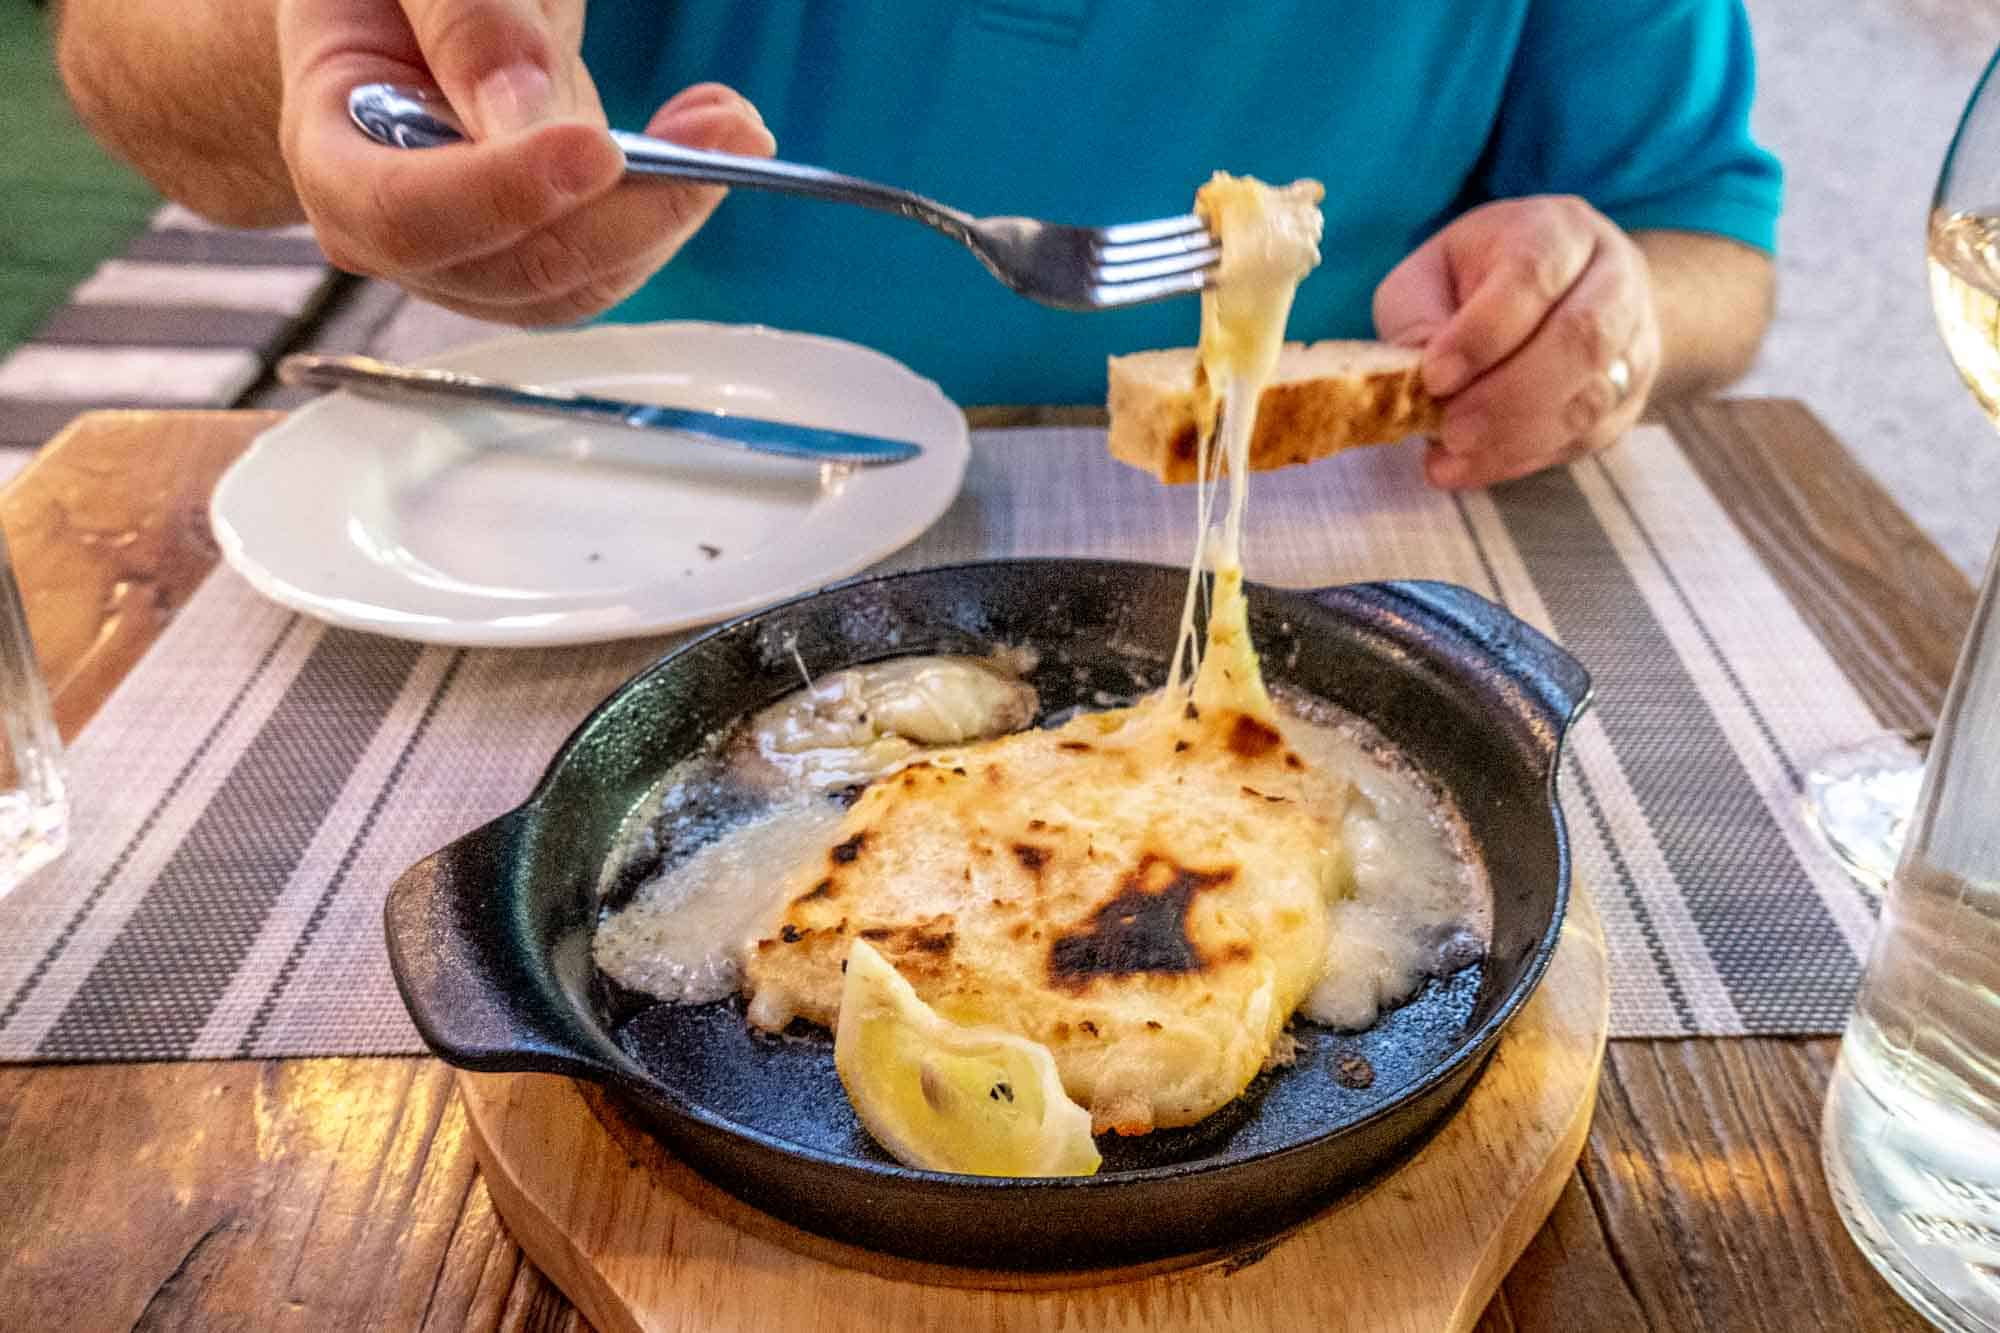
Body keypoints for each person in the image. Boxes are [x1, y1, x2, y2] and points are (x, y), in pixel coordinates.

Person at [53, 0, 1779, 490]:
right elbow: (117, 58)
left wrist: (1611, 310)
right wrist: (305, 34)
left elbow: (1710, 233)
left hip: (1331, 553)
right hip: (591, 518)